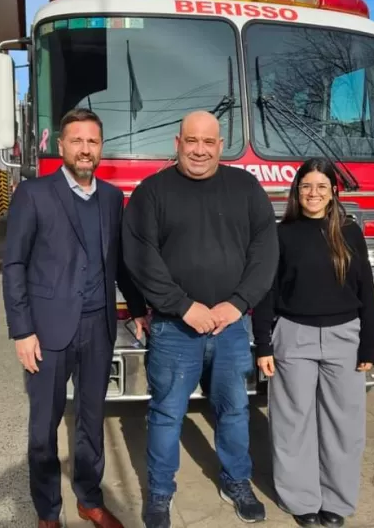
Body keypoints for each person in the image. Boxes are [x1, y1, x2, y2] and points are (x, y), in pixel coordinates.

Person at [121, 110, 279, 528]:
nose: (200, 150)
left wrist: (237, 302)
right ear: (177, 142)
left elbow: (266, 251)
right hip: (175, 328)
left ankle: (236, 481)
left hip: (230, 328)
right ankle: (159, 493)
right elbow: (140, 257)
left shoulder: (246, 188)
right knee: (166, 414)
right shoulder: (151, 193)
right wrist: (183, 306)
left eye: (208, 142)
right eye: (192, 141)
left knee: (233, 412)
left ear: (220, 145)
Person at [2, 108, 149, 528]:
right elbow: (13, 265)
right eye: (77, 140)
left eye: (93, 141)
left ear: (100, 148)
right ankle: (48, 511)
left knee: (91, 422)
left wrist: (136, 309)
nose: (86, 149)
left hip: (97, 328)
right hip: (47, 331)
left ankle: (89, 498)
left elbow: (117, 262)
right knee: (43, 430)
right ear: (61, 145)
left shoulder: (110, 197)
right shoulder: (34, 194)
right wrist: (22, 330)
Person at [251, 157, 374, 528]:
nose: (313, 193)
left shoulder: (350, 232)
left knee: (345, 424)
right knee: (293, 423)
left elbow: (365, 290)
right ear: (296, 191)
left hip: (345, 338)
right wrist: (263, 345)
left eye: (322, 187)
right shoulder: (282, 234)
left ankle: (337, 501)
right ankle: (302, 499)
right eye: (306, 186)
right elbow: (266, 293)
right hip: (293, 335)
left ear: (333, 192)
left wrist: (368, 343)